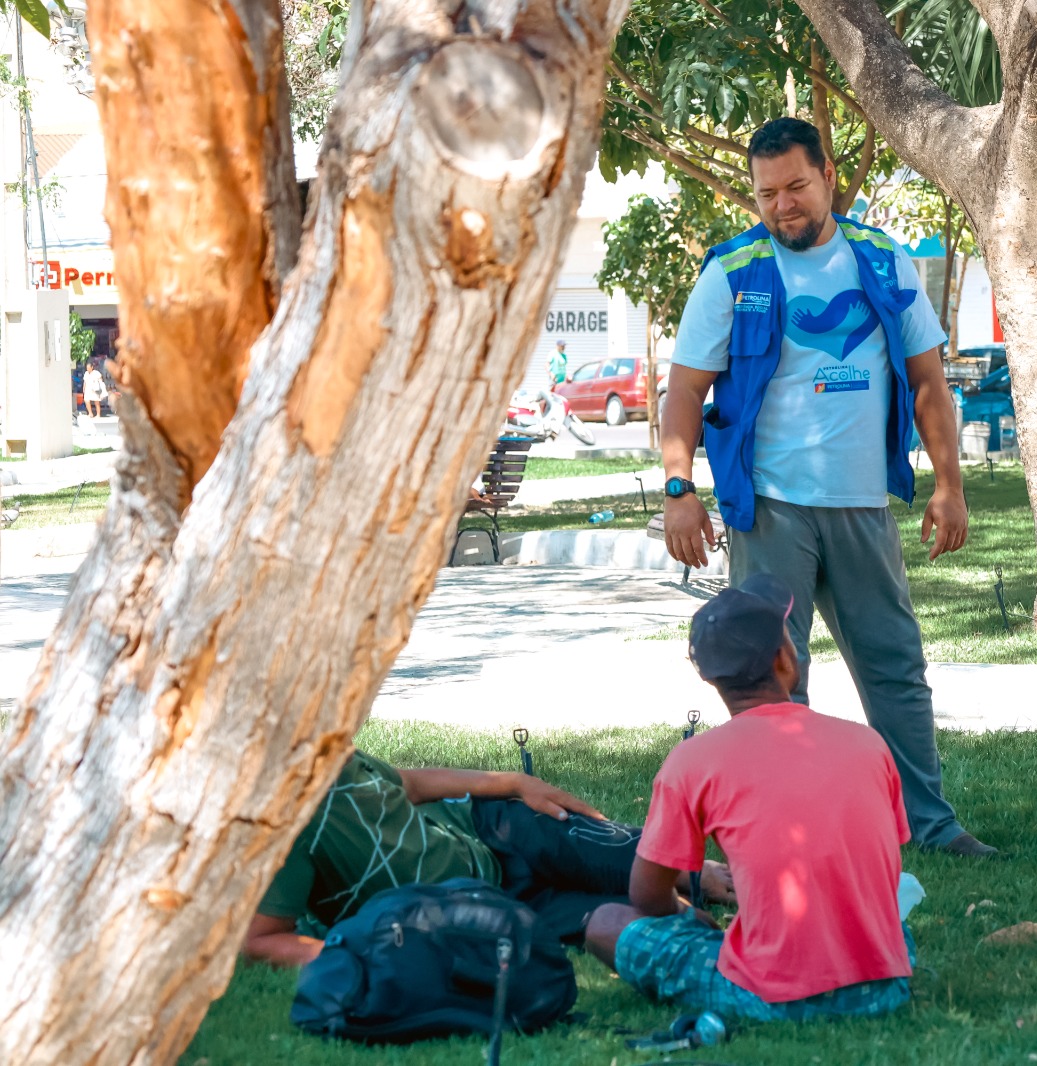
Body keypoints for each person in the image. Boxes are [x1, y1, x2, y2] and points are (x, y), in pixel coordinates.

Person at [658, 117, 992, 858]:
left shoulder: (884, 262)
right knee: (774, 676)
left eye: (796, 186)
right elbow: (682, 393)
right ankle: (791, 828)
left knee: (895, 666)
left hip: (863, 504)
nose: (782, 205)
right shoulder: (732, 272)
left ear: (830, 175)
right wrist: (680, 487)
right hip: (771, 508)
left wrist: (949, 485)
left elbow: (928, 382)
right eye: (767, 193)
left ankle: (928, 825)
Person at [583, 574, 919, 1022]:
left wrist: (687, 916)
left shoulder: (691, 762)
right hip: (886, 984)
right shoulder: (867, 743)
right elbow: (882, 867)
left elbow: (646, 897)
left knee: (605, 922)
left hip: (769, 997)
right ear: (786, 659)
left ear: (706, 675)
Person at [243, 749, 731, 966]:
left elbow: (409, 784)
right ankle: (703, 910)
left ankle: (704, 876)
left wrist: (513, 782)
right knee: (618, 920)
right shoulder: (278, 821)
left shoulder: (333, 753)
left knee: (621, 854)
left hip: (495, 832)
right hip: (481, 910)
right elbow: (260, 940)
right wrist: (354, 958)